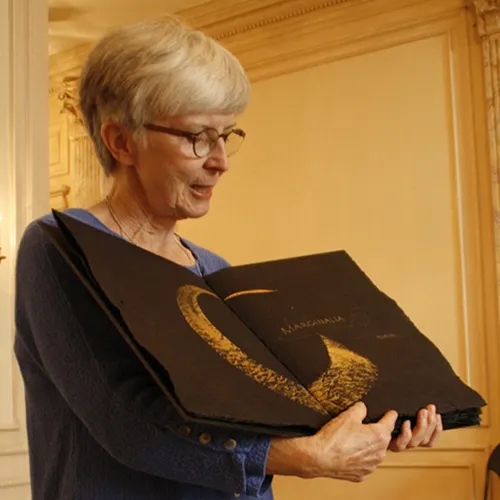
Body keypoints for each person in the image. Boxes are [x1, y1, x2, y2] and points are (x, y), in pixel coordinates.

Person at [14, 16, 442, 500]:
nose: (220, 160)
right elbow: (124, 420)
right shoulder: (58, 248)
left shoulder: (214, 269)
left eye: (227, 136)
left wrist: (385, 420)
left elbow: (275, 410)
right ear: (121, 141)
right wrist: (300, 458)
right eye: (198, 136)